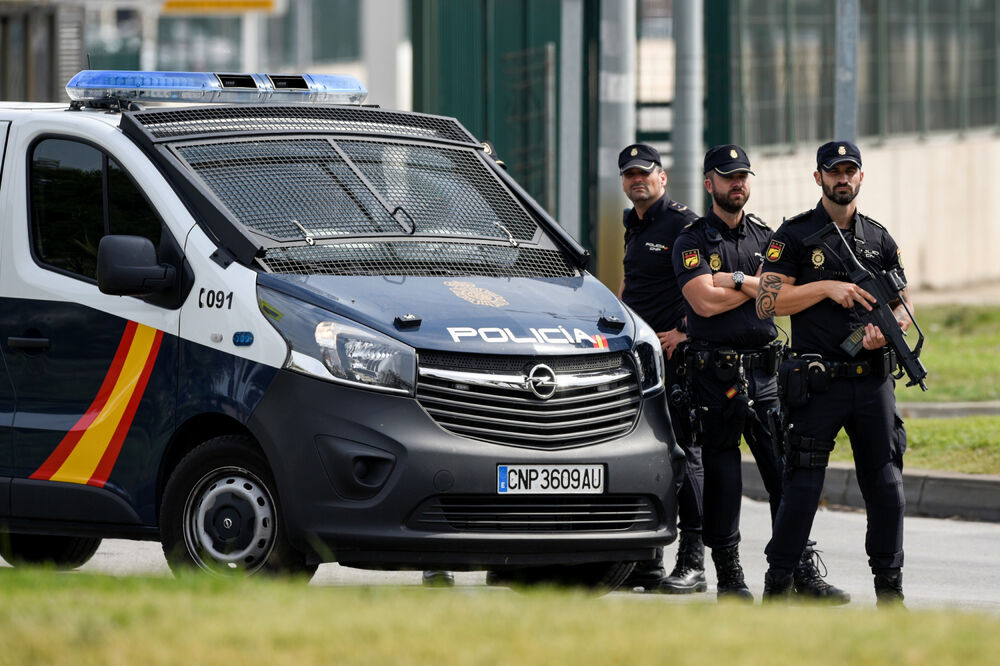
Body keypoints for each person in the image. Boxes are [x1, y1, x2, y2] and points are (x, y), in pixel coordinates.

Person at [672, 144, 848, 603]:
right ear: (709, 183)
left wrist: (733, 280)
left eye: (743, 176)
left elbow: (775, 303)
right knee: (724, 478)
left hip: (767, 375)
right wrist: (754, 286)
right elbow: (703, 303)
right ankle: (729, 576)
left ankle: (797, 570)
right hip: (717, 376)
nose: (738, 184)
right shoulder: (692, 241)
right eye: (728, 176)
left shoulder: (768, 237)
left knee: (786, 475)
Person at [756, 141, 910, 606]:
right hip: (817, 383)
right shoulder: (794, 234)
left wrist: (889, 330)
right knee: (802, 489)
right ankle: (778, 586)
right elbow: (767, 302)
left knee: (886, 487)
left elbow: (903, 304)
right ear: (818, 177)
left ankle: (890, 593)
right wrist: (824, 288)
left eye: (850, 171)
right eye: (834, 171)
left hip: (872, 380)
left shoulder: (879, 238)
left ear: (861, 176)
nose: (843, 179)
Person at [617, 143, 707, 594]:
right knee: (644, 455)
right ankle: (647, 560)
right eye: (630, 174)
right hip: (638, 359)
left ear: (662, 177)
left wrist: (685, 331)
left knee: (684, 454)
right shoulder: (633, 222)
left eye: (645, 172)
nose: (638, 180)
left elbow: (711, 282)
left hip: (674, 361)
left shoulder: (683, 224)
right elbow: (633, 283)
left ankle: (693, 560)